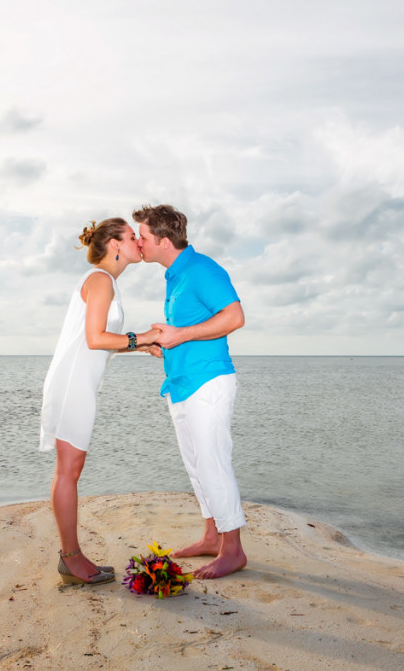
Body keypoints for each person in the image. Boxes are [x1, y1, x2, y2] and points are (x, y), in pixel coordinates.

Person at [40, 218, 160, 585]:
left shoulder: (105, 283)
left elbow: (96, 341)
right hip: (73, 385)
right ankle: (71, 559)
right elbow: (95, 339)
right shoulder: (101, 280)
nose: (140, 241)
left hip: (78, 382)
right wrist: (144, 336)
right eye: (132, 237)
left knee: (69, 471)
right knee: (69, 471)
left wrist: (142, 347)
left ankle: (71, 557)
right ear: (114, 244)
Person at [133, 204, 247, 579]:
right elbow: (188, 330)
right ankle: (212, 537)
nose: (139, 242)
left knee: (214, 463)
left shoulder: (201, 270)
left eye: (143, 236)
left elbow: (234, 317)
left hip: (208, 382)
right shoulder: (175, 276)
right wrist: (162, 345)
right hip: (181, 384)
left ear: (164, 241)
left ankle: (233, 550)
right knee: (197, 466)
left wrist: (179, 335)